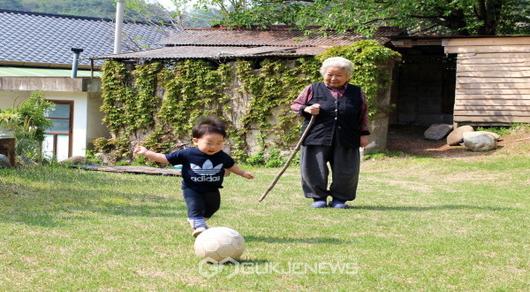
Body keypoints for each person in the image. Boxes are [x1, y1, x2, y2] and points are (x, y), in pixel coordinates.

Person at [134, 117, 254, 237]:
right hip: (192, 188)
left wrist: (243, 173)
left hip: (212, 188)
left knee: (214, 207)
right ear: (196, 141)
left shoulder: (222, 156)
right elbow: (165, 158)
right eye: (209, 143)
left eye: (219, 143)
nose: (214, 147)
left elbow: (231, 166)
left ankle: (198, 219)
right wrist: (146, 152)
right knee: (195, 205)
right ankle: (198, 223)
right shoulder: (187, 153)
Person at [290, 56, 370, 209]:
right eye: (330, 74)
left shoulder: (357, 92)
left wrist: (364, 134)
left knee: (346, 170)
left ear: (348, 76)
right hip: (316, 135)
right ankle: (318, 198)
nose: (333, 78)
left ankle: (340, 199)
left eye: (339, 75)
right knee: (313, 168)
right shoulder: (312, 89)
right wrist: (306, 109)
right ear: (323, 74)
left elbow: (363, 113)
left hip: (347, 136)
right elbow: (295, 105)